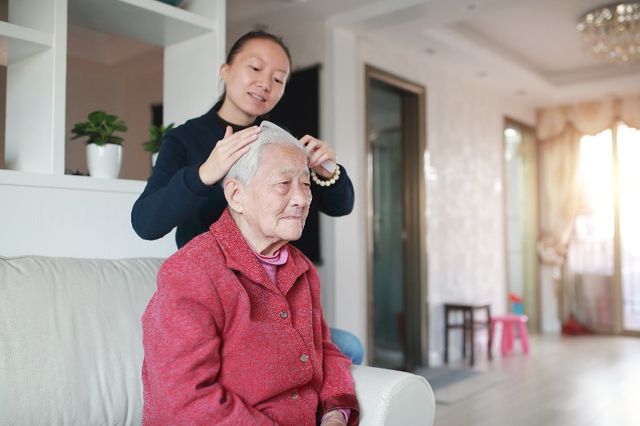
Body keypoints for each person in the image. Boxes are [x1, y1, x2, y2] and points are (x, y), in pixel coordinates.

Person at [131, 30, 363, 364]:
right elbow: (146, 223)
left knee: (349, 348)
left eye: (278, 79)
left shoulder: (279, 140)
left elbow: (342, 205)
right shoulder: (184, 140)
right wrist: (204, 174)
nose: (265, 83)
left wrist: (328, 171)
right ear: (225, 70)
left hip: (272, 295)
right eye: (255, 68)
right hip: (216, 297)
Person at [141, 121, 359, 425]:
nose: (301, 199)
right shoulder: (191, 272)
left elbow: (324, 351)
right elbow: (185, 401)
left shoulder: (302, 268)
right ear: (236, 195)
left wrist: (335, 414)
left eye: (306, 184)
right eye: (283, 184)